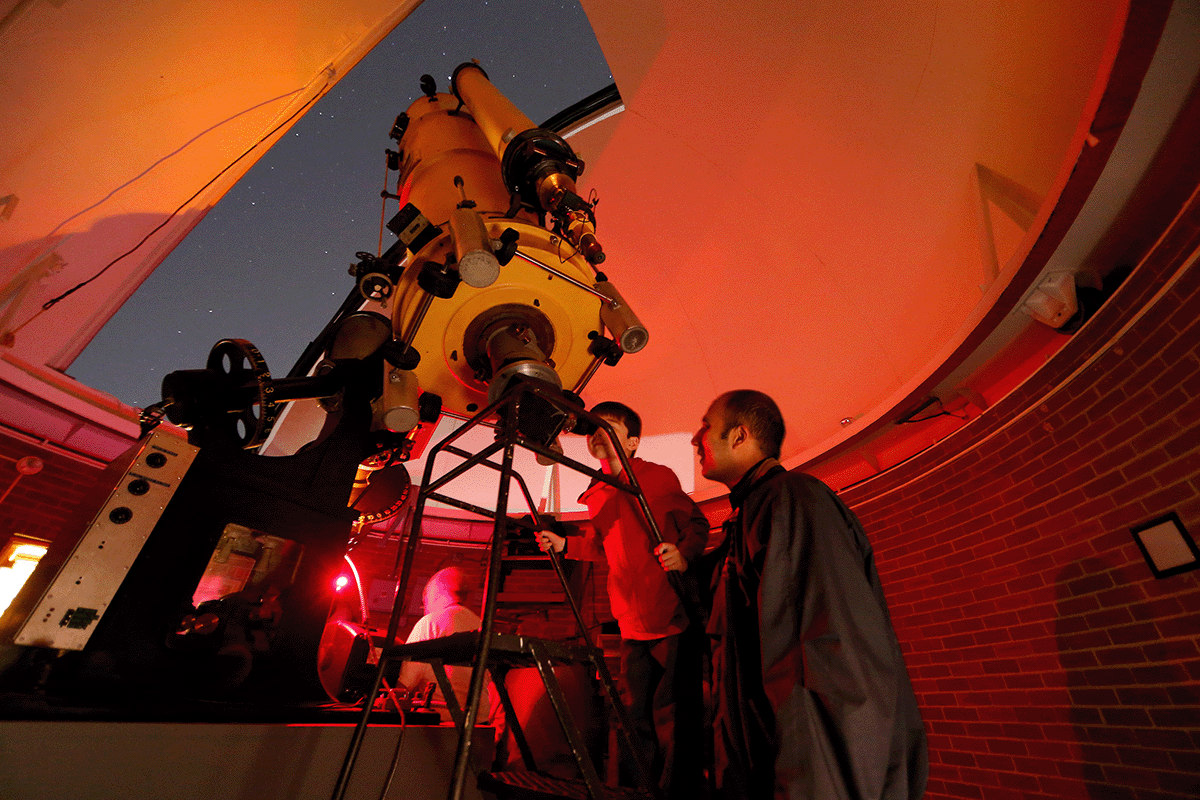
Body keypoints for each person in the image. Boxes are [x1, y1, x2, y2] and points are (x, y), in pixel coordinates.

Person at [659, 390, 927, 799]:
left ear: (739, 436)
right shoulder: (751, 514)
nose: (696, 439)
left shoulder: (790, 501)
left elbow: (820, 655)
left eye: (706, 426)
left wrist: (813, 784)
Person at [536, 401, 709, 798]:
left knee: (673, 713)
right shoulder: (596, 493)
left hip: (670, 615)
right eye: (593, 427)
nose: (597, 432)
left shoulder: (658, 477)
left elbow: (696, 523)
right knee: (634, 717)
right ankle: (637, 791)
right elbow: (601, 544)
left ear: (631, 443)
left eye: (608, 426)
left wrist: (683, 554)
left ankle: (677, 791)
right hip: (631, 622)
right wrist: (565, 544)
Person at [398, 565, 490, 723]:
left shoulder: (429, 623)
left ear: (434, 595)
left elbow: (403, 687)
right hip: (481, 727)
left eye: (424, 603)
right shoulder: (482, 627)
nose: (425, 610)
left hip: (439, 726)